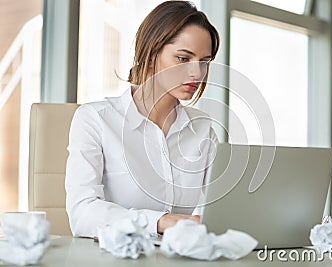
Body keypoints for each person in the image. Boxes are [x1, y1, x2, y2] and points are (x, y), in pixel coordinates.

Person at [65, 0, 220, 238]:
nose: (197, 73)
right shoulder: (95, 120)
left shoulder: (203, 129)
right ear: (150, 55)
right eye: (182, 58)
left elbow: (226, 206)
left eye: (204, 62)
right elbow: (82, 214)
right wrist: (159, 222)